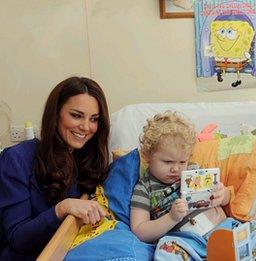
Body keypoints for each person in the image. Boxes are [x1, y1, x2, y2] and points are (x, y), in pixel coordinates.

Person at [0, 76, 111, 260]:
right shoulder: (17, 159)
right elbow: (17, 238)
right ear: (56, 113)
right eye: (76, 115)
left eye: (94, 119)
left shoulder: (84, 158)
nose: (85, 127)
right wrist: (62, 208)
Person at [130, 111, 231, 243]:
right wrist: (171, 218)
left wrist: (222, 195)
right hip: (184, 243)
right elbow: (139, 231)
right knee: (164, 254)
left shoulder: (194, 170)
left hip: (223, 230)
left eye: (182, 162)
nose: (176, 169)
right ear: (147, 157)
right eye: (167, 162)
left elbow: (227, 198)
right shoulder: (144, 189)